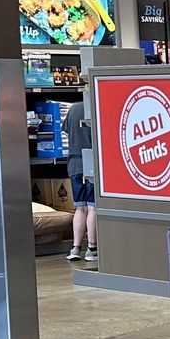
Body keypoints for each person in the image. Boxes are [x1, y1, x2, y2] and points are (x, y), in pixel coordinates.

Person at [65, 102, 98, 262]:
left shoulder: (73, 109)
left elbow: (67, 131)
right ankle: (92, 249)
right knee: (93, 207)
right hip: (91, 161)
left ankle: (75, 248)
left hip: (74, 162)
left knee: (80, 208)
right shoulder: (97, 105)